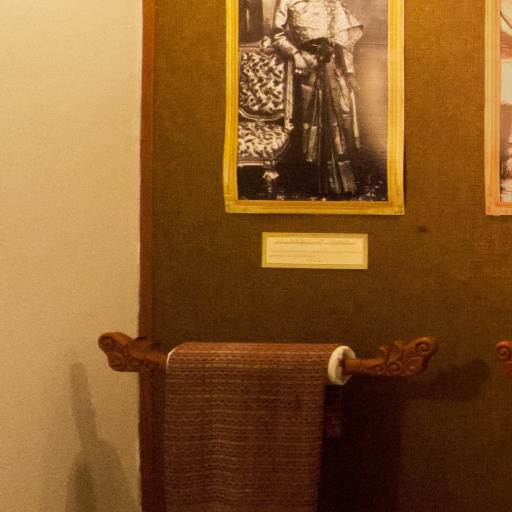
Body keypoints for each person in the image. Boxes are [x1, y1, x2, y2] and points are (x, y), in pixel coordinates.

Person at [272, 0, 363, 196]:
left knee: (338, 116)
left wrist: (349, 72)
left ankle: (341, 183)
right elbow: (276, 35)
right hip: (305, 66)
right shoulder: (286, 2)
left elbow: (343, 37)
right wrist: (296, 55)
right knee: (307, 121)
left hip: (333, 65)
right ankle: (311, 181)